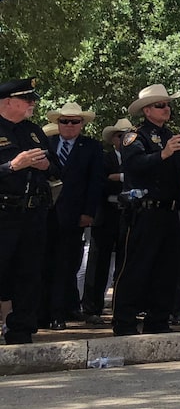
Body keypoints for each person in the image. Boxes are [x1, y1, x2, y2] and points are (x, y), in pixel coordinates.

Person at [113, 83, 180, 336]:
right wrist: (163, 155)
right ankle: (124, 321)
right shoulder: (134, 136)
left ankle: (159, 320)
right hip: (143, 211)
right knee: (136, 267)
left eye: (167, 104)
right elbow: (134, 166)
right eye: (160, 105)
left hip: (170, 211)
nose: (166, 109)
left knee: (167, 268)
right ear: (146, 110)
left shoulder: (172, 137)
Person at [0, 78, 54, 344]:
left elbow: (56, 169)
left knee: (29, 274)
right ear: (9, 102)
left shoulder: (34, 131)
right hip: (4, 213)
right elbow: (11, 167)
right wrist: (12, 166)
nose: (33, 103)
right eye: (27, 99)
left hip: (32, 213)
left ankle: (21, 332)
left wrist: (46, 167)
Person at [42, 101, 103, 329]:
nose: (69, 125)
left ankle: (59, 313)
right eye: (64, 121)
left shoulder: (91, 147)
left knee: (65, 265)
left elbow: (95, 183)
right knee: (43, 262)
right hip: (45, 213)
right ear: (57, 123)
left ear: (81, 124)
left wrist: (88, 212)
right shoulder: (47, 144)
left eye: (74, 121)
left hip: (74, 215)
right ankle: (42, 312)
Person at [82, 117, 133, 325]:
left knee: (125, 262)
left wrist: (119, 177)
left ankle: (121, 308)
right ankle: (91, 308)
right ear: (113, 139)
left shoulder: (135, 157)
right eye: (121, 136)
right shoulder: (105, 158)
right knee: (98, 262)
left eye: (128, 136)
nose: (125, 139)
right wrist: (123, 178)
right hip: (106, 214)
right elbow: (101, 182)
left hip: (128, 213)